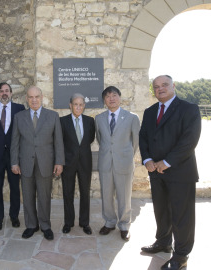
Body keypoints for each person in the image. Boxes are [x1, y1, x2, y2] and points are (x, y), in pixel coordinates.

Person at [139, 75, 201, 270]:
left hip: (180, 172)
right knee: (161, 211)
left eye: (164, 85)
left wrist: (166, 162)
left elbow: (189, 140)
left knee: (182, 216)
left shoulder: (188, 109)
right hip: (156, 173)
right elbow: (144, 137)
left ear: (173, 86)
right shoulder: (149, 112)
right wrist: (147, 159)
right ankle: (163, 242)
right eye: (156, 87)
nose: (160, 89)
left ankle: (181, 255)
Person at [11, 86, 64, 241]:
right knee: (27, 196)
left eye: (37, 97)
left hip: (46, 163)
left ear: (42, 97)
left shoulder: (53, 116)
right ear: (26, 99)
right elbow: (15, 142)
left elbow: (58, 142)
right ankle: (31, 225)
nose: (34, 100)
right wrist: (14, 162)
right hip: (25, 163)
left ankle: (45, 226)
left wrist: (59, 162)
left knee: (44, 196)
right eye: (30, 97)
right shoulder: (19, 117)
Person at [95, 86, 140, 241]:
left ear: (120, 97)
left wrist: (125, 155)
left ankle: (124, 225)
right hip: (105, 163)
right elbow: (101, 140)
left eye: (114, 95)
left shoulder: (131, 117)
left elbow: (135, 142)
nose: (111, 98)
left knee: (124, 195)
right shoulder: (99, 118)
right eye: (107, 96)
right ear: (104, 100)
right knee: (106, 195)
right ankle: (109, 222)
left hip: (124, 163)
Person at [0, 82, 25, 231]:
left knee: (15, 187)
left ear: (11, 93)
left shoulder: (19, 109)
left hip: (14, 155)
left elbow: (22, 131)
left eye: (7, 91)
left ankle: (14, 216)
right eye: (1, 91)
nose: (4, 93)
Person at [60, 93, 95, 235]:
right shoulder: (62, 121)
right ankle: (68, 222)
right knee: (67, 193)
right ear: (70, 105)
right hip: (68, 163)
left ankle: (84, 222)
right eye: (76, 104)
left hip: (85, 162)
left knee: (85, 193)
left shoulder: (90, 121)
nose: (78, 107)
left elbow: (90, 139)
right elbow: (60, 142)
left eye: (81, 104)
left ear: (84, 106)